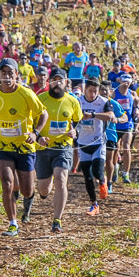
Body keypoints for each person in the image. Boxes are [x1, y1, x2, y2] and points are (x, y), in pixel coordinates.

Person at [0, 58, 49, 237]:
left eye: (11, 73)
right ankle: (12, 223)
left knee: (26, 190)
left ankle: (28, 197)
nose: (7, 76)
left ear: (17, 75)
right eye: (4, 73)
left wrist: (36, 133)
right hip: (3, 145)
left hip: (25, 146)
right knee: (7, 182)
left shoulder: (26, 94)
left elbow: (44, 114)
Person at [34, 68, 83, 230]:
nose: (57, 83)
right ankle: (42, 192)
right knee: (44, 189)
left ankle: (57, 220)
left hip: (63, 147)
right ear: (49, 82)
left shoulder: (73, 101)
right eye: (54, 80)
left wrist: (75, 131)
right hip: (43, 147)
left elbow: (78, 121)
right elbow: (32, 122)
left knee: (61, 180)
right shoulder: (40, 99)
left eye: (60, 80)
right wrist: (38, 136)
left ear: (66, 82)